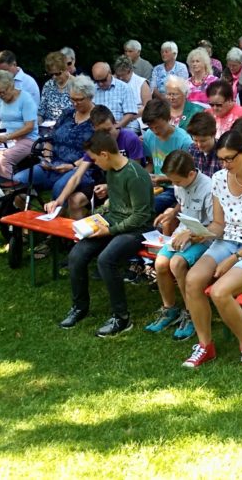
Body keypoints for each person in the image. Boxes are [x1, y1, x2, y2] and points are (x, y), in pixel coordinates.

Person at [181, 129, 242, 372]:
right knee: (192, 281)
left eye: (230, 159)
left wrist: (234, 259)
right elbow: (218, 225)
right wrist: (200, 233)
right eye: (222, 159)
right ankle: (205, 345)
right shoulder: (218, 179)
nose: (225, 165)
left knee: (220, 292)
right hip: (227, 241)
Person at [57, 131, 154, 337]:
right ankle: (79, 307)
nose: (94, 164)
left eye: (94, 159)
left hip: (136, 230)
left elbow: (141, 217)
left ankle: (121, 317)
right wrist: (96, 220)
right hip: (113, 223)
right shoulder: (111, 170)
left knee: (106, 260)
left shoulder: (136, 175)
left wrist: (109, 230)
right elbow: (116, 205)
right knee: (76, 255)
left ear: (104, 154)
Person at [147, 150, 214, 340]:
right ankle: (169, 309)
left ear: (191, 174)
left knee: (177, 263)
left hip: (205, 239)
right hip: (183, 233)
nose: (175, 185)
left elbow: (214, 227)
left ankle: (192, 313)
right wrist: (172, 212)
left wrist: (191, 234)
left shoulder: (209, 189)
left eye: (177, 181)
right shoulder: (180, 183)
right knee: (160, 263)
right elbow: (183, 204)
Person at [11, 74, 94, 208]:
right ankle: (26, 221)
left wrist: (72, 165)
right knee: (18, 181)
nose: (74, 103)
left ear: (90, 97)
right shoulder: (67, 113)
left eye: (79, 100)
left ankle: (55, 223)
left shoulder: (97, 117)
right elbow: (51, 138)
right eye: (72, 99)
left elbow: (95, 152)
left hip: (80, 169)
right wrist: (47, 158)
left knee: (59, 188)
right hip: (53, 165)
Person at [141, 98, 193, 213]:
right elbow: (151, 162)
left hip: (175, 187)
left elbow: (189, 175)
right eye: (151, 127)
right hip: (155, 185)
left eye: (158, 127)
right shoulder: (149, 136)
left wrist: (164, 178)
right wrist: (144, 176)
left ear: (168, 119)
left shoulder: (184, 141)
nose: (155, 131)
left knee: (151, 206)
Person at [0, 69, 38, 179]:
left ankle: (12, 190)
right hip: (4, 140)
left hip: (27, 139)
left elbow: (29, 127)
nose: (0, 95)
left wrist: (8, 137)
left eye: (3, 92)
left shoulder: (26, 98)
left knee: (4, 159)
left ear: (12, 86)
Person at [91, 62, 136, 129]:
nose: (100, 84)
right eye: (97, 81)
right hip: (98, 130)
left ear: (110, 73)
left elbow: (130, 113)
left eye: (103, 80)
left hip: (120, 127)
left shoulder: (124, 88)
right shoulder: (91, 91)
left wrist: (116, 127)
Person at [113, 56, 150, 134]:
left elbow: (147, 107)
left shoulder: (141, 83)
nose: (120, 78)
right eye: (118, 75)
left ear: (129, 71)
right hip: (115, 115)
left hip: (136, 118)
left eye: (122, 75)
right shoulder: (113, 80)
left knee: (127, 132)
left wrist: (129, 116)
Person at [38, 51, 74, 130]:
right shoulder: (48, 85)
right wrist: (40, 125)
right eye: (51, 74)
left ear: (66, 69)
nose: (54, 77)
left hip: (69, 129)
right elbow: (41, 111)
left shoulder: (76, 84)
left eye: (57, 74)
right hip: (48, 129)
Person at [186, 111, 222, 177]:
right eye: (195, 140)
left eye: (203, 141)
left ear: (213, 134)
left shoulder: (222, 153)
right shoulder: (192, 149)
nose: (199, 145)